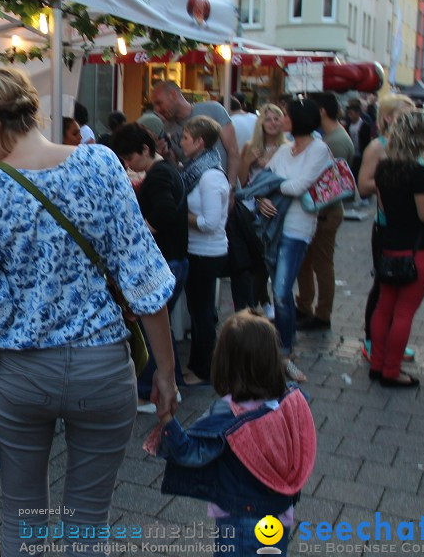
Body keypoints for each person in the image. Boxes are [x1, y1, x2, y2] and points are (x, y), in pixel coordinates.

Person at [0, 68, 177, 554]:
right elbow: (145, 276)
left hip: (23, 375)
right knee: (86, 522)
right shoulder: (100, 163)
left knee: (23, 516)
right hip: (103, 369)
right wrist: (166, 371)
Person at [154, 312, 316, 554]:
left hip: (240, 520)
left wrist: (166, 418)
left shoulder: (227, 413)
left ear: (223, 362)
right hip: (280, 516)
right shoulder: (289, 402)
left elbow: (189, 452)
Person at [111, 123, 188, 411]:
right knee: (162, 328)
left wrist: (139, 231)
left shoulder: (158, 176)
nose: (128, 165)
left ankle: (148, 392)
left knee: (150, 327)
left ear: (146, 149)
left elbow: (165, 211)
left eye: (130, 158)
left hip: (167, 259)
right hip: (176, 258)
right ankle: (173, 383)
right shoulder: (166, 169)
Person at [254, 98, 331, 382]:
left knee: (283, 292)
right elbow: (263, 181)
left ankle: (285, 351)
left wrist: (271, 188)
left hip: (298, 227)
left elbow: (300, 185)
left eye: (286, 115)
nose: (282, 118)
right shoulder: (286, 150)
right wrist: (263, 197)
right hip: (273, 224)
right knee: (278, 290)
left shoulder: (319, 149)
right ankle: (282, 349)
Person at [370, 109, 424, 387]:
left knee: (384, 308)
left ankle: (377, 365)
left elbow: (383, 207)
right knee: (403, 313)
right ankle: (391, 371)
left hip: (390, 244)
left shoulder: (384, 167)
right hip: (417, 249)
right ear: (422, 137)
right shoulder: (417, 172)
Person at [357, 94, 416, 360]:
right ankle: (371, 339)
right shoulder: (378, 147)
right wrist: (395, 183)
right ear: (388, 118)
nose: (411, 117)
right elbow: (363, 186)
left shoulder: (413, 147)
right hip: (386, 225)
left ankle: (393, 340)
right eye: (406, 113)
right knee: (383, 284)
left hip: (411, 225)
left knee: (403, 288)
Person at [296, 92, 355, 331]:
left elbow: (330, 185)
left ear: (321, 111)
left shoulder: (335, 141)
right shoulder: (332, 137)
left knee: (321, 264)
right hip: (321, 212)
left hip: (325, 212)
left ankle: (322, 314)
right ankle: (306, 306)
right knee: (308, 262)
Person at [180, 116, 230, 386]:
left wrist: (182, 216)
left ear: (200, 142)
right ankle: (200, 364)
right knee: (199, 310)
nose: (182, 142)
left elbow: (210, 223)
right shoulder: (198, 168)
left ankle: (204, 369)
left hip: (207, 253)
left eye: (186, 138)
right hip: (198, 251)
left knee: (202, 313)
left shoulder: (209, 176)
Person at [235, 103, 290, 317]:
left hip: (277, 207)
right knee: (258, 260)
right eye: (269, 119)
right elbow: (241, 181)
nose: (274, 122)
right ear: (261, 123)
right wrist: (247, 161)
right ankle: (263, 302)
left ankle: (274, 301)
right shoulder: (250, 146)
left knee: (272, 258)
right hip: (253, 207)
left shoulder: (287, 148)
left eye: (277, 118)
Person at [150, 80, 241, 186]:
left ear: (173, 95)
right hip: (196, 194)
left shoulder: (213, 109)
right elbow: (178, 168)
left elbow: (233, 150)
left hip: (225, 190)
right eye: (155, 105)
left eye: (159, 103)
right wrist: (166, 155)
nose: (157, 109)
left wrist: (231, 186)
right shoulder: (167, 129)